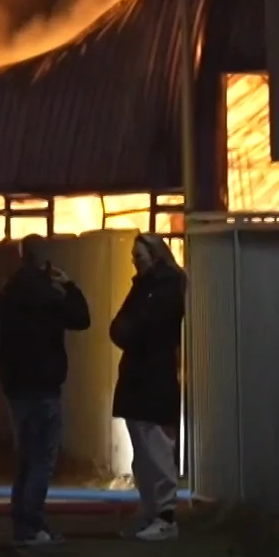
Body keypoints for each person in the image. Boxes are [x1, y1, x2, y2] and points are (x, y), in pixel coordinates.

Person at [0, 236, 91, 547]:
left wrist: (8, 370)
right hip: (45, 386)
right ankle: (31, 523)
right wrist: (69, 285)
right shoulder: (50, 297)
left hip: (16, 388)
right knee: (43, 457)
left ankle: (22, 520)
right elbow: (81, 319)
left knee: (26, 457)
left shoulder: (4, 298)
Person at [109, 232, 186, 541]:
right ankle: (153, 512)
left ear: (154, 257)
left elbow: (141, 327)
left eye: (139, 257)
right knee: (144, 452)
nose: (134, 263)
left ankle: (164, 516)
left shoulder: (164, 288)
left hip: (152, 378)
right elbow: (122, 327)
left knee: (155, 450)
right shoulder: (146, 287)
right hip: (140, 378)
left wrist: (131, 330)